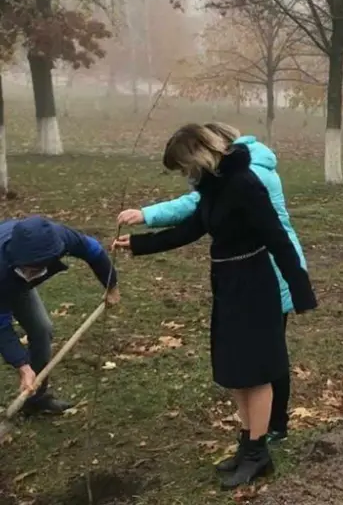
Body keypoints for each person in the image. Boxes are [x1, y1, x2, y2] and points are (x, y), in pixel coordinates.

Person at [112, 124, 317, 490]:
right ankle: (246, 446)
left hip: (255, 285)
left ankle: (258, 453)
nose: (185, 174)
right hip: (228, 284)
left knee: (256, 370)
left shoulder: (244, 183)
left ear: (198, 156)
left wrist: (301, 292)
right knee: (235, 369)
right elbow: (193, 227)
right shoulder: (214, 187)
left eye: (183, 166)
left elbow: (277, 236)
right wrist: (141, 245)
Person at [0, 216, 120, 414]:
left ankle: (35, 399)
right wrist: (21, 364)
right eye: (27, 269)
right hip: (4, 278)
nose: (31, 273)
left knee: (42, 329)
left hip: (14, 283)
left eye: (35, 269)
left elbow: (94, 251)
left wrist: (111, 284)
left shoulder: (62, 238)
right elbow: (1, 326)